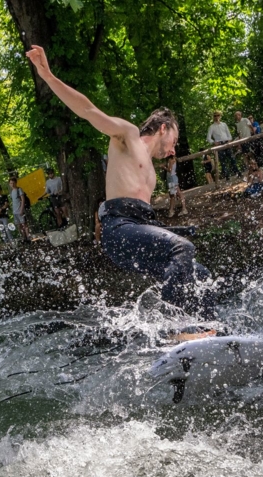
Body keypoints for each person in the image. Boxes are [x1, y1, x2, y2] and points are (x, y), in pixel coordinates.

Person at [26, 45, 216, 322]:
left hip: (138, 230)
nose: (174, 150)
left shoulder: (151, 171)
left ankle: (208, 328)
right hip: (119, 231)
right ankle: (175, 325)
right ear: (163, 128)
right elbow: (88, 110)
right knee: (182, 247)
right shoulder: (127, 136)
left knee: (201, 274)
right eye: (174, 142)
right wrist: (48, 76)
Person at [207, 111, 239, 179]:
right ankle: (227, 176)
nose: (216, 117)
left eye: (218, 115)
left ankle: (237, 172)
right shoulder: (211, 127)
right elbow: (208, 138)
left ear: (220, 116)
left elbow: (228, 133)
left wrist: (229, 140)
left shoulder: (224, 124)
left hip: (226, 143)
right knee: (223, 161)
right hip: (219, 144)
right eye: (215, 116)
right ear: (213, 117)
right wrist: (214, 142)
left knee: (232, 159)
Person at [9, 176, 32, 242]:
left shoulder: (19, 190)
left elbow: (23, 200)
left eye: (13, 183)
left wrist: (21, 209)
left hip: (20, 210)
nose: (12, 184)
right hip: (15, 211)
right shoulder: (12, 191)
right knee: (19, 225)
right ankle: (24, 237)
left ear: (16, 183)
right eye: (11, 183)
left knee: (24, 224)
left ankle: (28, 237)